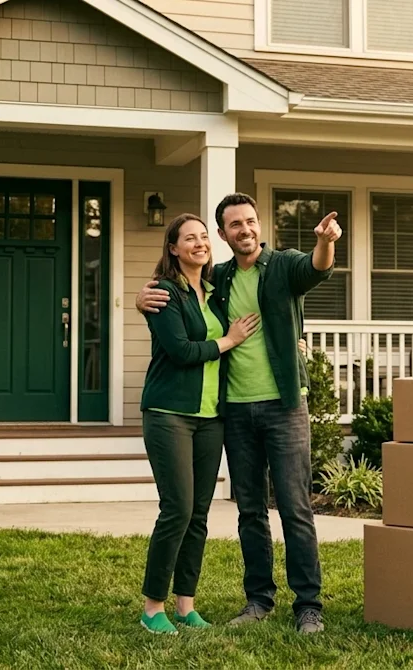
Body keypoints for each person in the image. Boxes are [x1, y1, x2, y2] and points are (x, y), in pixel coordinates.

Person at [136, 193, 341, 635]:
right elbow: (179, 302)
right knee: (250, 509)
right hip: (234, 410)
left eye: (250, 221)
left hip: (284, 406)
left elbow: (317, 268)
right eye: (233, 225)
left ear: (259, 225)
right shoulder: (221, 278)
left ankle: (308, 605)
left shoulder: (283, 265)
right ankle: (258, 599)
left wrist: (326, 242)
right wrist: (142, 298)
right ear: (225, 234)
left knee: (295, 508)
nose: (244, 230)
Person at [138, 212, 260, 635]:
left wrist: (295, 335)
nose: (199, 243)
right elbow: (181, 350)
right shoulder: (163, 293)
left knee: (200, 514)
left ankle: (185, 604)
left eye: (204, 237)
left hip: (211, 417)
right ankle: (153, 607)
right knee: (177, 509)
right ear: (173, 248)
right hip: (169, 413)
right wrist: (229, 341)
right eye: (189, 238)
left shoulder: (214, 291)